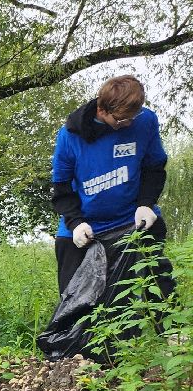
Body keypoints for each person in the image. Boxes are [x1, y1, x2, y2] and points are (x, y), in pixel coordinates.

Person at [50, 75, 169, 297]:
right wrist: (76, 223)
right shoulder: (70, 136)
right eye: (122, 121)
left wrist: (146, 204)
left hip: (131, 219)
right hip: (85, 225)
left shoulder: (145, 121)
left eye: (134, 117)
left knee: (158, 281)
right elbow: (61, 188)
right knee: (74, 298)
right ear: (102, 110)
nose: (129, 124)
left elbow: (154, 167)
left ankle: (171, 330)